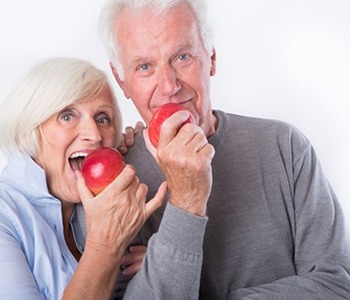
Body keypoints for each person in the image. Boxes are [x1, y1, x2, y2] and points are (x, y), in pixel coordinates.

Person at [90, 0, 350, 299]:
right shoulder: (116, 184)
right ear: (122, 80)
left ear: (211, 57)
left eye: (182, 56)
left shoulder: (285, 146)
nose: (168, 86)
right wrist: (187, 200)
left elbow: (336, 285)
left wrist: (181, 275)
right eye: (145, 67)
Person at [0, 56, 197, 299]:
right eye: (67, 116)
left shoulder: (99, 210)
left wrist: (156, 265)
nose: (94, 134)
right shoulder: (5, 217)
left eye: (103, 119)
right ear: (28, 126)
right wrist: (106, 247)